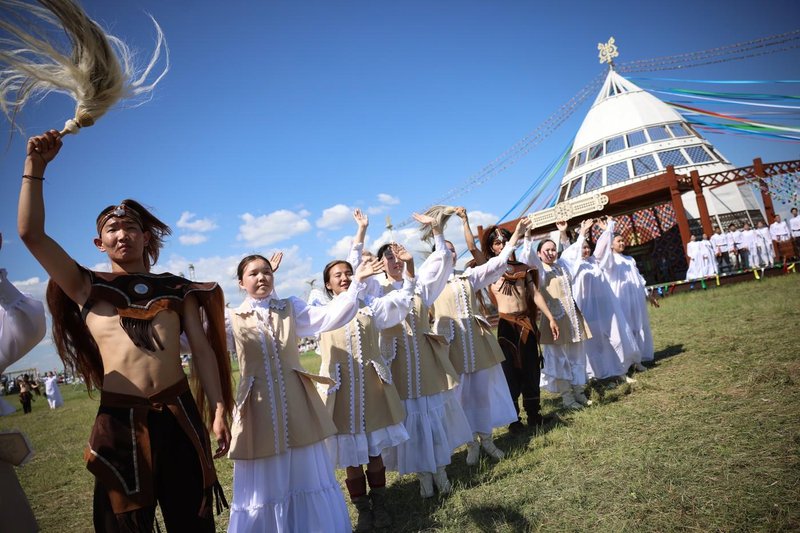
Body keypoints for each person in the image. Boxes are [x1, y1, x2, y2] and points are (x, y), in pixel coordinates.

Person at [18, 130, 234, 532]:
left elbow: (201, 351)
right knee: (123, 524)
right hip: (118, 420)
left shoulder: (177, 288)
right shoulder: (85, 286)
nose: (122, 234)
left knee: (193, 521)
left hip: (178, 414)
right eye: (112, 229)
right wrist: (35, 168)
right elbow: (31, 235)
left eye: (131, 227)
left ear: (145, 236)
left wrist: (219, 408)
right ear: (99, 242)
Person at [225, 254, 372, 533]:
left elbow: (329, 316)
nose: (261, 278)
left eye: (267, 272)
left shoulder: (290, 308)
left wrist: (357, 285)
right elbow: (192, 340)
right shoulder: (232, 319)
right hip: (256, 407)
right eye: (253, 274)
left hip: (296, 401)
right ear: (240, 282)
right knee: (264, 476)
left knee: (305, 472)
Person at [318, 216, 413, 533]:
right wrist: (359, 235)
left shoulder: (371, 304)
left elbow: (402, 301)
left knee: (373, 450)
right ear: (328, 284)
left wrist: (408, 275)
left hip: (371, 386)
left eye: (348, 273)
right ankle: (362, 510)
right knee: (350, 455)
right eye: (337, 275)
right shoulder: (321, 307)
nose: (344, 278)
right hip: (341, 390)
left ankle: (381, 504)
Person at [375, 213, 473, 499]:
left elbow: (443, 259)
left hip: (426, 362)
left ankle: (440, 471)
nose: (395, 262)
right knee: (409, 420)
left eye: (398, 256)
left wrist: (436, 229)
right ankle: (422, 476)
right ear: (381, 265)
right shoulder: (376, 292)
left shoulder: (420, 287)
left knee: (432, 417)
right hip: (397, 364)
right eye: (389, 258)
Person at [432, 214, 533, 465]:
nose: (450, 254)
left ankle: (487, 441)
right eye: (445, 250)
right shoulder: (428, 284)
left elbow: (495, 264)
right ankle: (470, 445)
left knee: (480, 394)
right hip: (450, 348)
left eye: (453, 250)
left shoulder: (467, 277)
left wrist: (517, 235)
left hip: (476, 343)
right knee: (460, 398)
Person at [479, 223, 558, 432]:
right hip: (507, 327)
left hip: (527, 324)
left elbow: (535, 294)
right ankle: (514, 421)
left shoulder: (524, 268)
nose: (503, 245)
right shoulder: (491, 270)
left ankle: (534, 414)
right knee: (510, 373)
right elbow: (471, 247)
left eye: (505, 241)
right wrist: (464, 222)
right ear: (492, 248)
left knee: (531, 368)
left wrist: (550, 318)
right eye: (497, 243)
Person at [518, 221, 590, 410]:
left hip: (572, 317)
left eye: (553, 249)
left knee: (576, 356)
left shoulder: (562, 266)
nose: (551, 252)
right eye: (546, 250)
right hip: (555, 320)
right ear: (540, 253)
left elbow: (574, 254)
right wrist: (527, 237)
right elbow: (527, 257)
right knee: (560, 359)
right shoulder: (540, 270)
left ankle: (579, 392)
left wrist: (579, 233)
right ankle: (567, 398)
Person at [558, 219, 639, 381]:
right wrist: (570, 233)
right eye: (583, 247)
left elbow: (603, 244)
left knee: (615, 338)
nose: (586, 250)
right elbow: (569, 252)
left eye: (588, 247)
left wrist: (608, 228)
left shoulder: (595, 261)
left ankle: (620, 371)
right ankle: (598, 375)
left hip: (605, 309)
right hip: (586, 310)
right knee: (594, 345)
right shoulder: (572, 265)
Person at [593, 218, 659, 368]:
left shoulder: (630, 259)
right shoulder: (609, 260)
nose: (622, 243)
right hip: (619, 298)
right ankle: (626, 361)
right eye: (618, 241)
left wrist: (648, 295)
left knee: (638, 324)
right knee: (625, 328)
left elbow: (639, 279)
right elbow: (605, 259)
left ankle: (638, 358)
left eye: (623, 241)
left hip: (635, 299)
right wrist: (608, 230)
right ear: (611, 244)